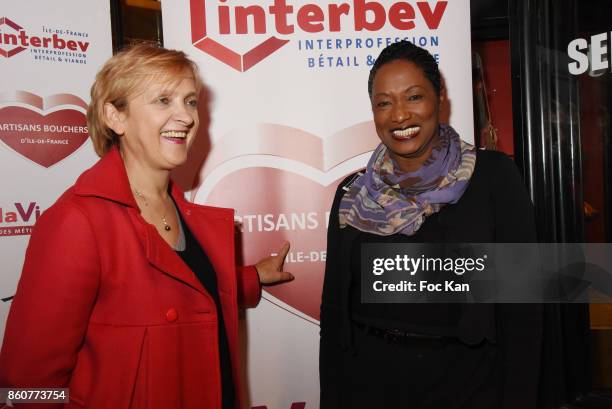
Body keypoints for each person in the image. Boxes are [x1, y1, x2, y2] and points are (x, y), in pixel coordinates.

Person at [0, 44, 292, 409]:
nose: (185, 117)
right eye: (163, 100)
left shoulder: (186, 214)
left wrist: (249, 278)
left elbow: (173, 293)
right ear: (115, 117)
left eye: (189, 101)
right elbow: (24, 383)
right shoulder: (77, 222)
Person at [319, 41, 543, 409]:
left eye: (414, 97)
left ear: (440, 100)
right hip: (368, 383)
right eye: (384, 102)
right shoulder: (352, 195)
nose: (400, 115)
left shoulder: (494, 178)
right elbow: (334, 313)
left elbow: (524, 311)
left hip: (468, 383)